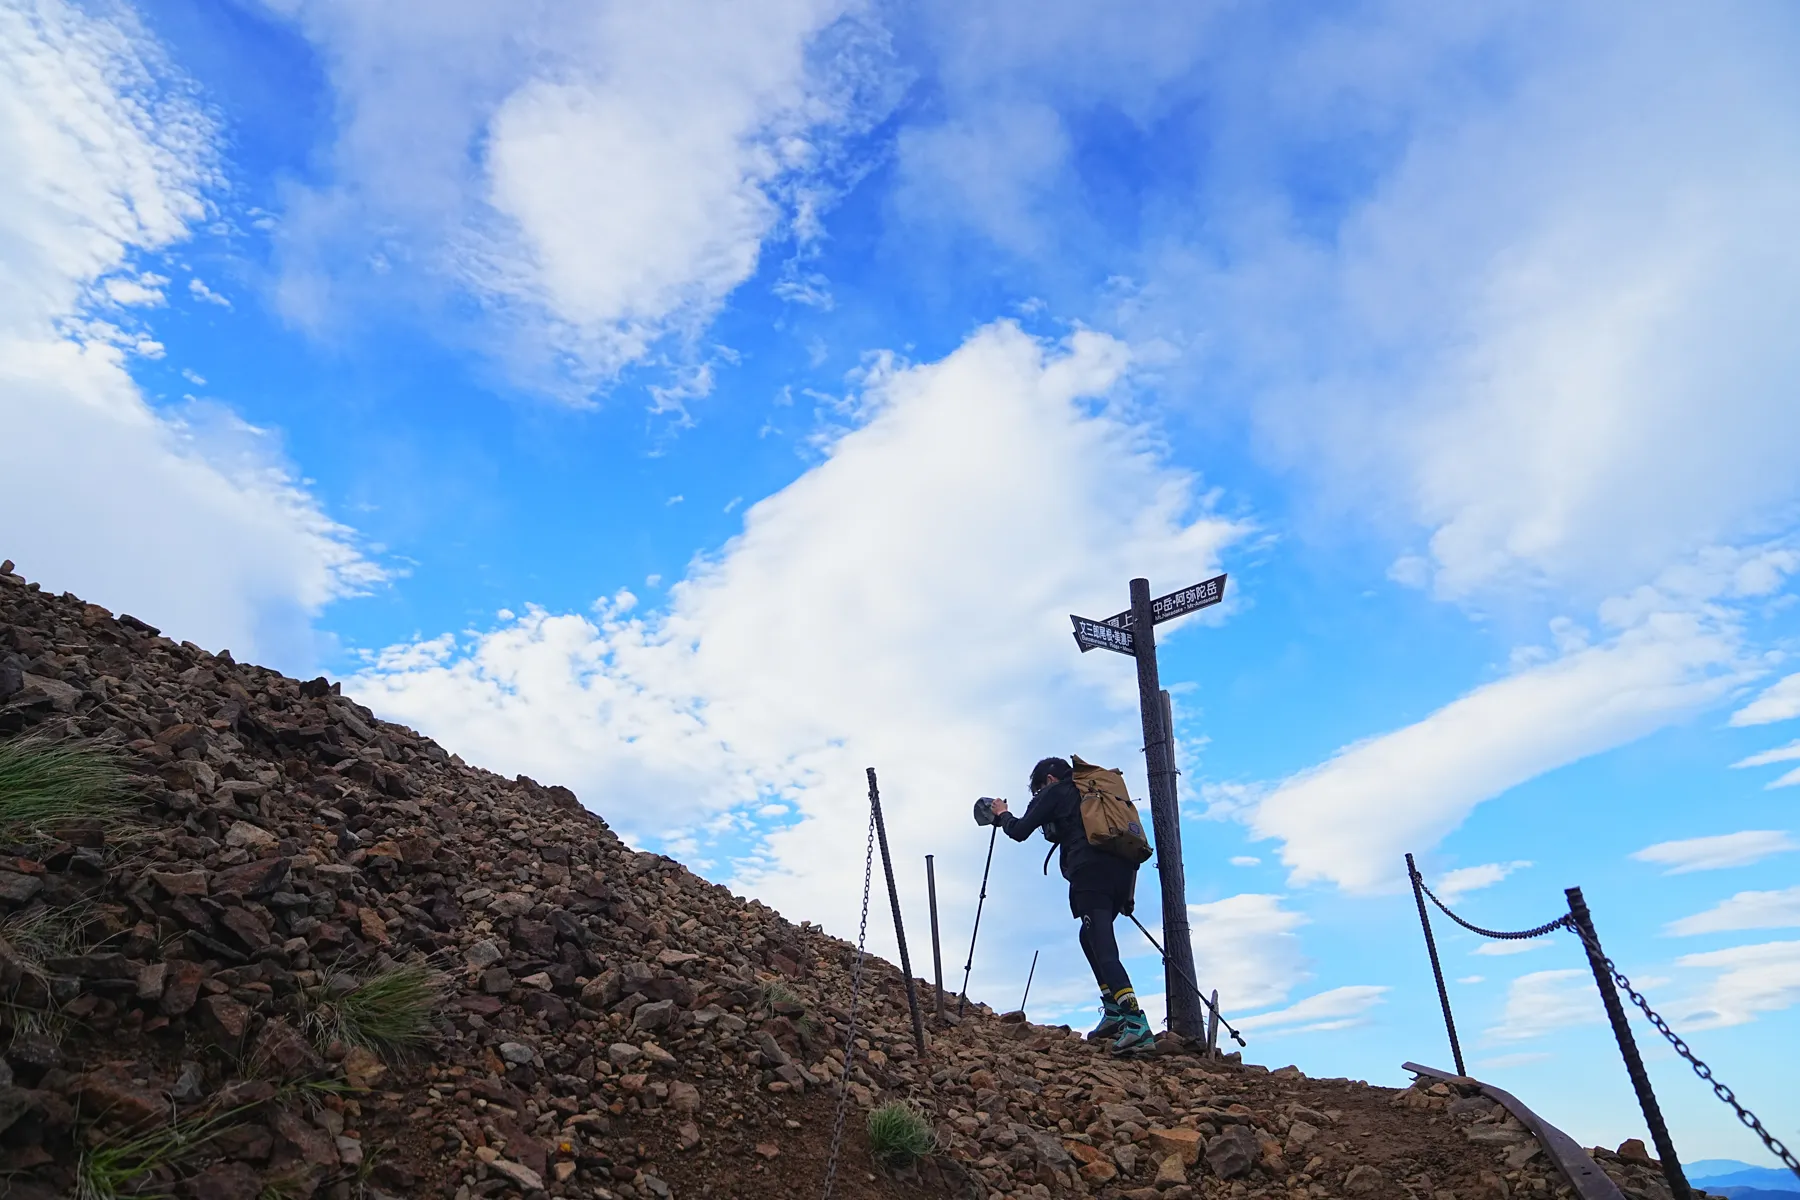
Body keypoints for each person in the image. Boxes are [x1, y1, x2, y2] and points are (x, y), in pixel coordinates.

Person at [986, 756, 1153, 1056]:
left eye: (1038, 790)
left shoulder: (1056, 792)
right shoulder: (1094, 794)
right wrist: (1127, 897)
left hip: (1090, 874)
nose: (1038, 796)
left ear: (1048, 781)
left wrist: (1002, 815)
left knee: (1103, 946)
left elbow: (1020, 830)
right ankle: (1114, 1012)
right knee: (1087, 936)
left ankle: (1135, 1022)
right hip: (1122, 875)